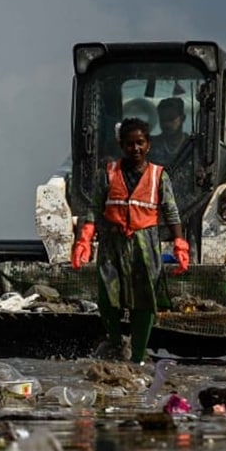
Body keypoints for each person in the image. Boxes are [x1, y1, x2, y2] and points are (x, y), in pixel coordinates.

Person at [69, 117, 189, 363]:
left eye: (140, 143)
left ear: (148, 145)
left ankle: (138, 355)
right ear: (121, 145)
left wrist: (180, 243)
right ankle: (114, 342)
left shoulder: (159, 176)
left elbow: (171, 211)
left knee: (144, 301)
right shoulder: (107, 174)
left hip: (145, 247)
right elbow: (94, 208)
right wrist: (84, 240)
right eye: (129, 144)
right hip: (113, 245)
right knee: (107, 297)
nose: (135, 149)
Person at [148, 96, 190, 168]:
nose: (167, 124)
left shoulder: (191, 145)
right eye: (163, 120)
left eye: (171, 119)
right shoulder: (150, 146)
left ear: (183, 118)